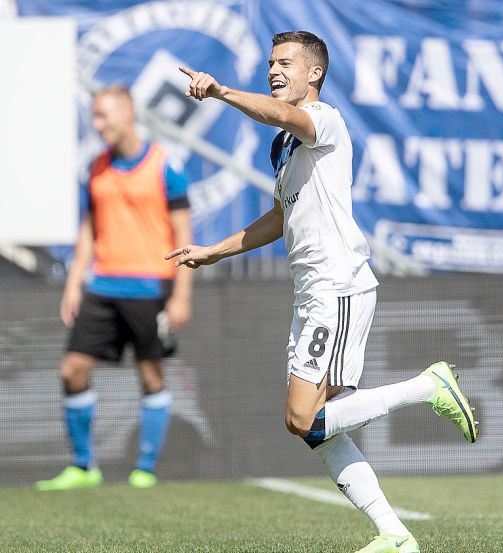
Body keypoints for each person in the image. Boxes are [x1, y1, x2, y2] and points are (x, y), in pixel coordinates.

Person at [166, 31, 477, 553]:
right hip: (313, 290)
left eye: (285, 63)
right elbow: (281, 217)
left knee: (300, 418)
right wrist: (213, 251)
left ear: (314, 73)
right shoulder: (284, 147)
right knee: (319, 428)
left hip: (337, 286)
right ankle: (395, 535)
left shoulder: (323, 118)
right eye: (269, 63)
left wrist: (220, 93)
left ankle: (428, 387)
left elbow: (282, 114)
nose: (273, 71)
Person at [36, 86, 194, 491]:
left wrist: (181, 295)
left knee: (151, 376)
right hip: (102, 286)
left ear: (128, 114)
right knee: (72, 370)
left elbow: (184, 233)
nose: (98, 124)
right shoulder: (96, 168)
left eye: (104, 115)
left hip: (151, 288)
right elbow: (88, 229)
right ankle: (84, 467)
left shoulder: (164, 166)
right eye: (95, 116)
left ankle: (145, 468)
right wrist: (74, 284)